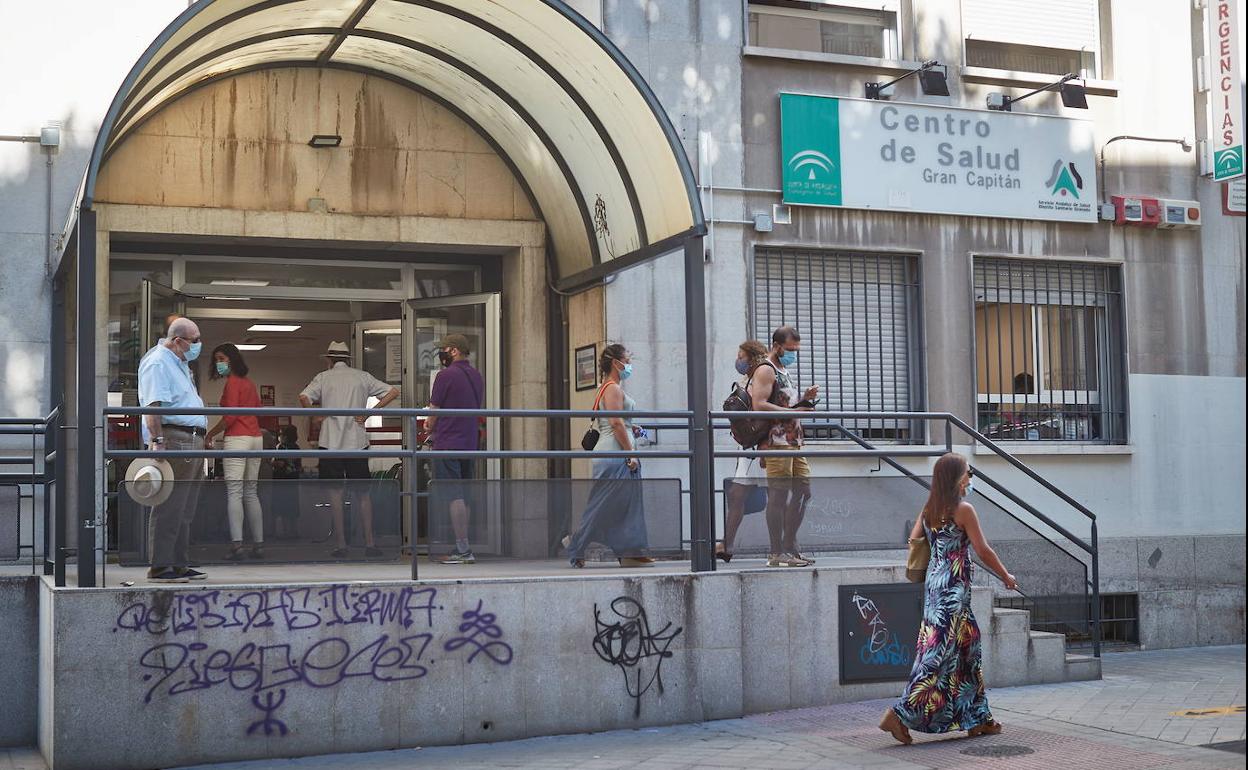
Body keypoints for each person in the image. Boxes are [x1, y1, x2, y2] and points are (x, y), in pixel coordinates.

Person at [880, 452, 1018, 744]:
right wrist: (1006, 575)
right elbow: (983, 550)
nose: (970, 478)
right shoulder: (963, 509)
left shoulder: (929, 508)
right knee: (936, 657)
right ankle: (899, 714)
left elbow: (915, 539)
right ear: (956, 478)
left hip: (935, 588)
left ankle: (978, 718)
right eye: (968, 472)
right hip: (953, 592)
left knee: (967, 649)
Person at [299, 341, 399, 558]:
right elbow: (393, 391)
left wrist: (315, 415)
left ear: (329, 359)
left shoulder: (323, 377)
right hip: (357, 441)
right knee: (363, 495)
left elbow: (304, 396)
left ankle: (341, 544)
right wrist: (370, 412)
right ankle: (369, 543)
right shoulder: (361, 376)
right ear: (347, 359)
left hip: (330, 441)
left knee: (335, 495)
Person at [563, 345, 653, 568]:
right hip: (616, 454)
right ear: (616, 363)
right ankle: (577, 544)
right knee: (606, 504)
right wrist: (630, 453)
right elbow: (615, 422)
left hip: (613, 450)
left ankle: (628, 551)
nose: (629, 365)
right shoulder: (612, 389)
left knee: (618, 504)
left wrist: (632, 428)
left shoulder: (607, 388)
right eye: (627, 360)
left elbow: (617, 421)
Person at [137, 316, 209, 583]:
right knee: (170, 504)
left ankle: (179, 562)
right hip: (174, 437)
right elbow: (152, 406)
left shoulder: (180, 363)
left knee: (186, 507)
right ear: (178, 340)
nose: (198, 345)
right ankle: (161, 565)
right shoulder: (158, 362)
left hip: (190, 438)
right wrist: (157, 440)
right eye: (195, 340)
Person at [747, 326, 818, 567]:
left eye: (796, 350)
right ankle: (776, 552)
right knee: (777, 496)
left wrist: (803, 400)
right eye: (790, 350)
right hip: (776, 442)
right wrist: (792, 410)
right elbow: (759, 404)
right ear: (777, 346)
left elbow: (785, 403)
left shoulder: (783, 369)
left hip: (793, 441)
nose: (794, 354)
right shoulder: (766, 369)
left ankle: (790, 544)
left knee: (803, 491)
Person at [426, 333, 485, 565]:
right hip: (470, 442)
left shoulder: (445, 375)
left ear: (453, 351)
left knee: (454, 495)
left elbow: (433, 412)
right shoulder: (476, 376)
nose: (441, 354)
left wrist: (427, 425)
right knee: (465, 495)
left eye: (444, 349)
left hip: (448, 441)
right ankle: (463, 543)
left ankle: (462, 548)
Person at [205, 343, 265, 561]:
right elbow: (258, 410)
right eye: (216, 359)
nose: (218, 363)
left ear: (231, 359)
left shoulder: (231, 384)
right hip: (256, 438)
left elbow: (229, 417)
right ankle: (259, 544)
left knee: (234, 492)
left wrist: (210, 434)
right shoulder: (249, 383)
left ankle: (237, 545)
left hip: (237, 438)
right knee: (251, 492)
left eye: (221, 358)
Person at [717, 340, 770, 562]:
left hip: (762, 445)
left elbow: (766, 410)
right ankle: (726, 545)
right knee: (737, 495)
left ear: (752, 356)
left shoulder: (764, 376)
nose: (738, 360)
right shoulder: (748, 378)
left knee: (778, 497)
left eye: (741, 355)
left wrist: (767, 446)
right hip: (748, 446)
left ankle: (786, 546)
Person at [270, 424, 303, 540]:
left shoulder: (281, 447)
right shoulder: (297, 447)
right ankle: (294, 531)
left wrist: (270, 463)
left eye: (280, 434)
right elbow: (299, 466)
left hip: (281, 480)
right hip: (293, 480)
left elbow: (279, 463)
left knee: (282, 506)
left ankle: (284, 532)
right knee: (293, 506)